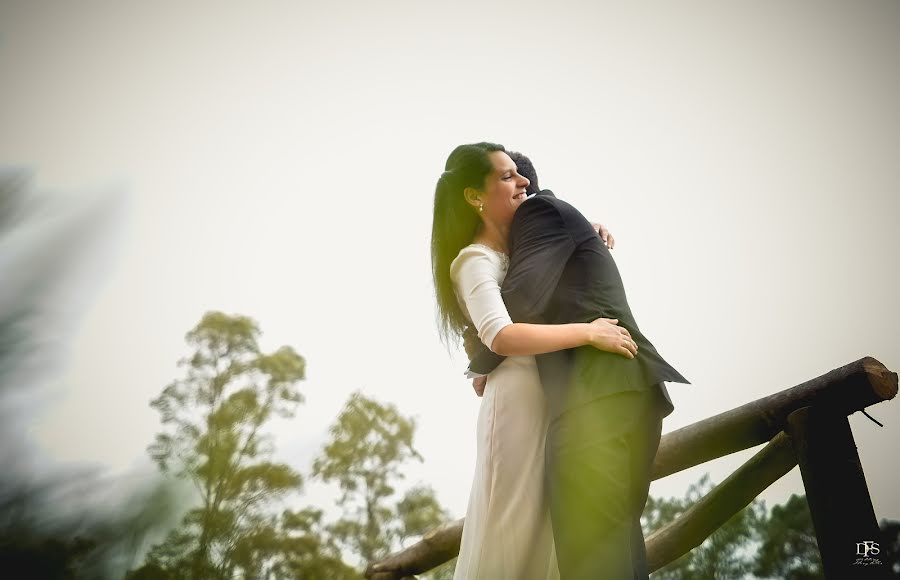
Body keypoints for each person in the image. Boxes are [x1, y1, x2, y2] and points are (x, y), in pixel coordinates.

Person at [465, 149, 689, 579]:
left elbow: (521, 300)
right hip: (625, 395)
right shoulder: (561, 221)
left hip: (597, 397)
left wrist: (483, 360)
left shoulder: (538, 213)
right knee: (616, 552)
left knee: (591, 558)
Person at [431, 142, 638, 579]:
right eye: (507, 177)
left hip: (547, 398)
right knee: (513, 534)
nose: (523, 182)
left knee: (547, 535)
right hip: (515, 406)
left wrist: (580, 231)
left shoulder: (522, 253)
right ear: (474, 196)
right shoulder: (472, 261)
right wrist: (590, 331)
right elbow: (502, 335)